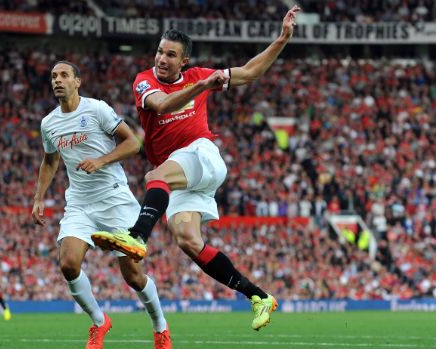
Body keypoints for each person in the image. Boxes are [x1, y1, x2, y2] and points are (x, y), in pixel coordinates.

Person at [92, 6, 301, 331]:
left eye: (170, 55)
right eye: (160, 51)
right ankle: (259, 296)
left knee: (154, 176)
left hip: (201, 155)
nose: (162, 59)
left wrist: (282, 39)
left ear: (183, 61)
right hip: (180, 176)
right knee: (188, 240)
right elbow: (162, 105)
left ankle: (136, 236)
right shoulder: (144, 81)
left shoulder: (197, 75)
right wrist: (203, 86)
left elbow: (249, 73)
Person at [32, 61, 172, 349]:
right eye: (54, 76)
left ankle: (160, 327)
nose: (58, 80)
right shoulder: (49, 123)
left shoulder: (96, 109)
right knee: (68, 264)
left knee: (133, 275)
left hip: (114, 197)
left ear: (77, 81)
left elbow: (133, 143)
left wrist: (101, 160)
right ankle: (99, 321)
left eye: (64, 75)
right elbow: (50, 160)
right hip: (80, 203)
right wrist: (38, 197)